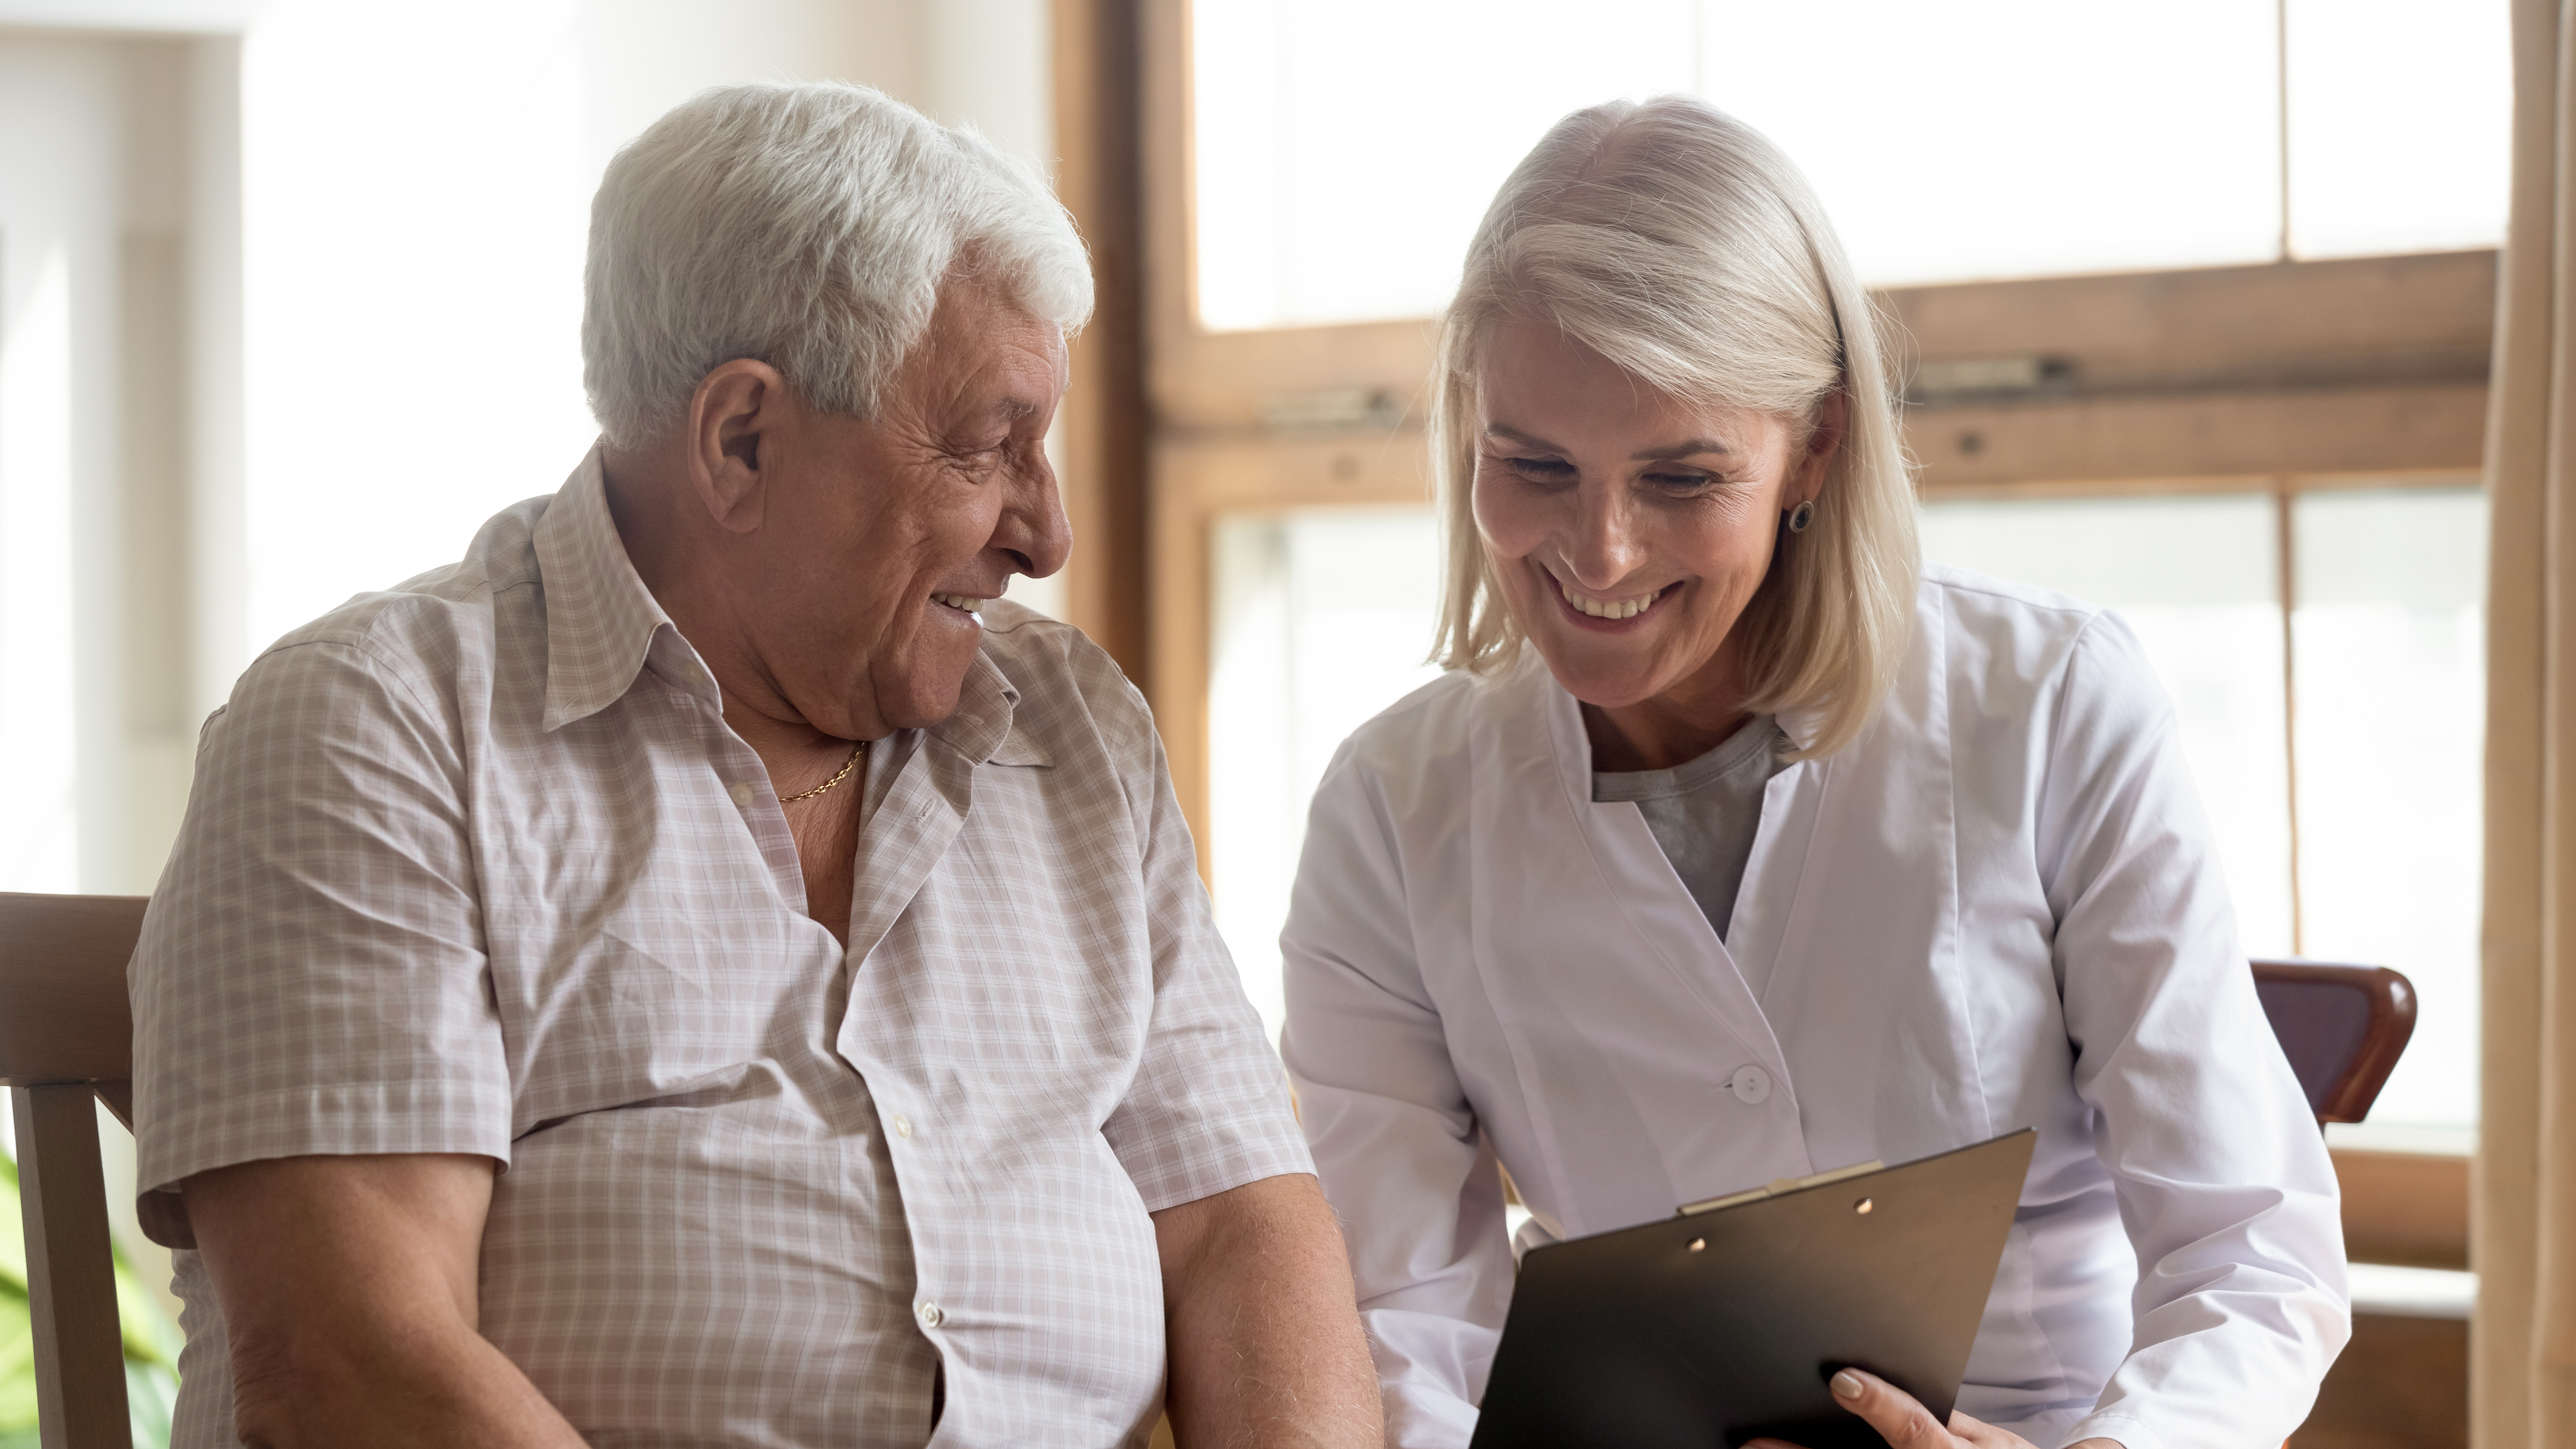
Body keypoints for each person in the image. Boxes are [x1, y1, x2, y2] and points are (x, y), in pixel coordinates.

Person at [129, 82, 1379, 1449]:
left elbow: (1247, 1231)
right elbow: (353, 1366)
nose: (1049, 530)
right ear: (740, 442)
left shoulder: (1072, 729)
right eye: (988, 444)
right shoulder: (377, 727)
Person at [1281, 95, 2346, 1449]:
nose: (1600, 554)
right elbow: (1409, 1326)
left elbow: (2254, 1251)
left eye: (1683, 478)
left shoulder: (2052, 703)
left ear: (1817, 445)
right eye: (1533, 463)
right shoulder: (1390, 810)